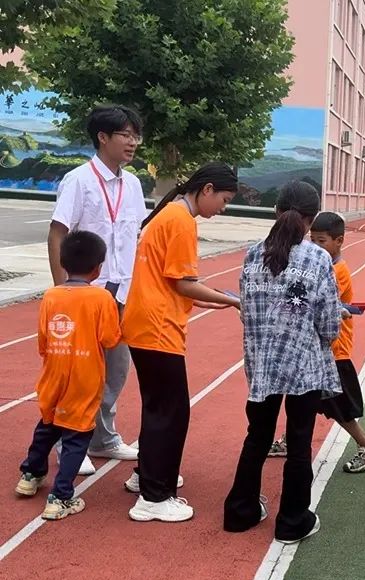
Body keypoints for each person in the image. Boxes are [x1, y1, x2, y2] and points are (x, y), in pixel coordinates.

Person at [121, 163, 241, 522]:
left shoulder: (170, 214)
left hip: (145, 322)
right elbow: (183, 283)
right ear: (207, 189)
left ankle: (146, 475)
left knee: (158, 407)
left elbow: (171, 281)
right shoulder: (181, 221)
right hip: (158, 328)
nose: (223, 208)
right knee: (171, 411)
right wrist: (233, 301)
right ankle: (154, 497)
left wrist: (213, 299)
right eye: (224, 199)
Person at [224, 182, 341, 544]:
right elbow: (329, 324)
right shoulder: (318, 259)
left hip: (262, 364)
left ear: (276, 211)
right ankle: (292, 521)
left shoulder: (252, 255)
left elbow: (247, 312)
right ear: (311, 220)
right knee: (299, 443)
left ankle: (240, 511)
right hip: (303, 366)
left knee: (257, 437)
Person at [47, 105, 147, 474]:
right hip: (85, 293)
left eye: (135, 135)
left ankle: (103, 437)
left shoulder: (133, 184)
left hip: (121, 292)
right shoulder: (78, 181)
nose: (132, 142)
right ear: (102, 137)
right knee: (79, 371)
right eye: (125, 135)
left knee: (116, 368)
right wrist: (63, 290)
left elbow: (136, 236)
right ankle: (67, 442)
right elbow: (57, 234)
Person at [267, 211, 365, 473]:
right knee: (303, 395)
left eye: (322, 241)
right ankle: (289, 439)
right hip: (316, 350)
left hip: (334, 351)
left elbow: (318, 303)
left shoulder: (337, 271)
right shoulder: (322, 265)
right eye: (313, 240)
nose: (316, 246)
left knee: (338, 406)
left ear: (339, 241)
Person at [16, 231, 121, 519]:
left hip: (53, 375)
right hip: (84, 379)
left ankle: (30, 474)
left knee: (48, 425)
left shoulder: (51, 295)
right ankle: (61, 497)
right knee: (76, 436)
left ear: (63, 263)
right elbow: (110, 338)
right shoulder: (102, 298)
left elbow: (42, 340)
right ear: (98, 268)